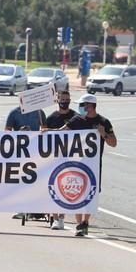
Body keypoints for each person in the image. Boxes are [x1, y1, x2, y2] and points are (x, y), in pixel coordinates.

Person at [50, 94, 117, 236]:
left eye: (82, 105)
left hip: (93, 164)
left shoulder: (103, 122)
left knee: (90, 194)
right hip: (77, 163)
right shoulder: (77, 120)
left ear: (90, 106)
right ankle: (79, 224)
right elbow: (62, 132)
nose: (80, 107)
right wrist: (47, 132)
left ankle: (85, 222)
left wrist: (103, 134)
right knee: (78, 191)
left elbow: (113, 143)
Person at [42, 90, 77, 230]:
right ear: (57, 100)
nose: (64, 101)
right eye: (62, 99)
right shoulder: (51, 118)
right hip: (54, 157)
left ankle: (62, 217)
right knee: (53, 187)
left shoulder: (75, 117)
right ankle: (55, 217)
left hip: (70, 156)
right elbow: (44, 134)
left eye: (67, 99)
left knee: (65, 187)